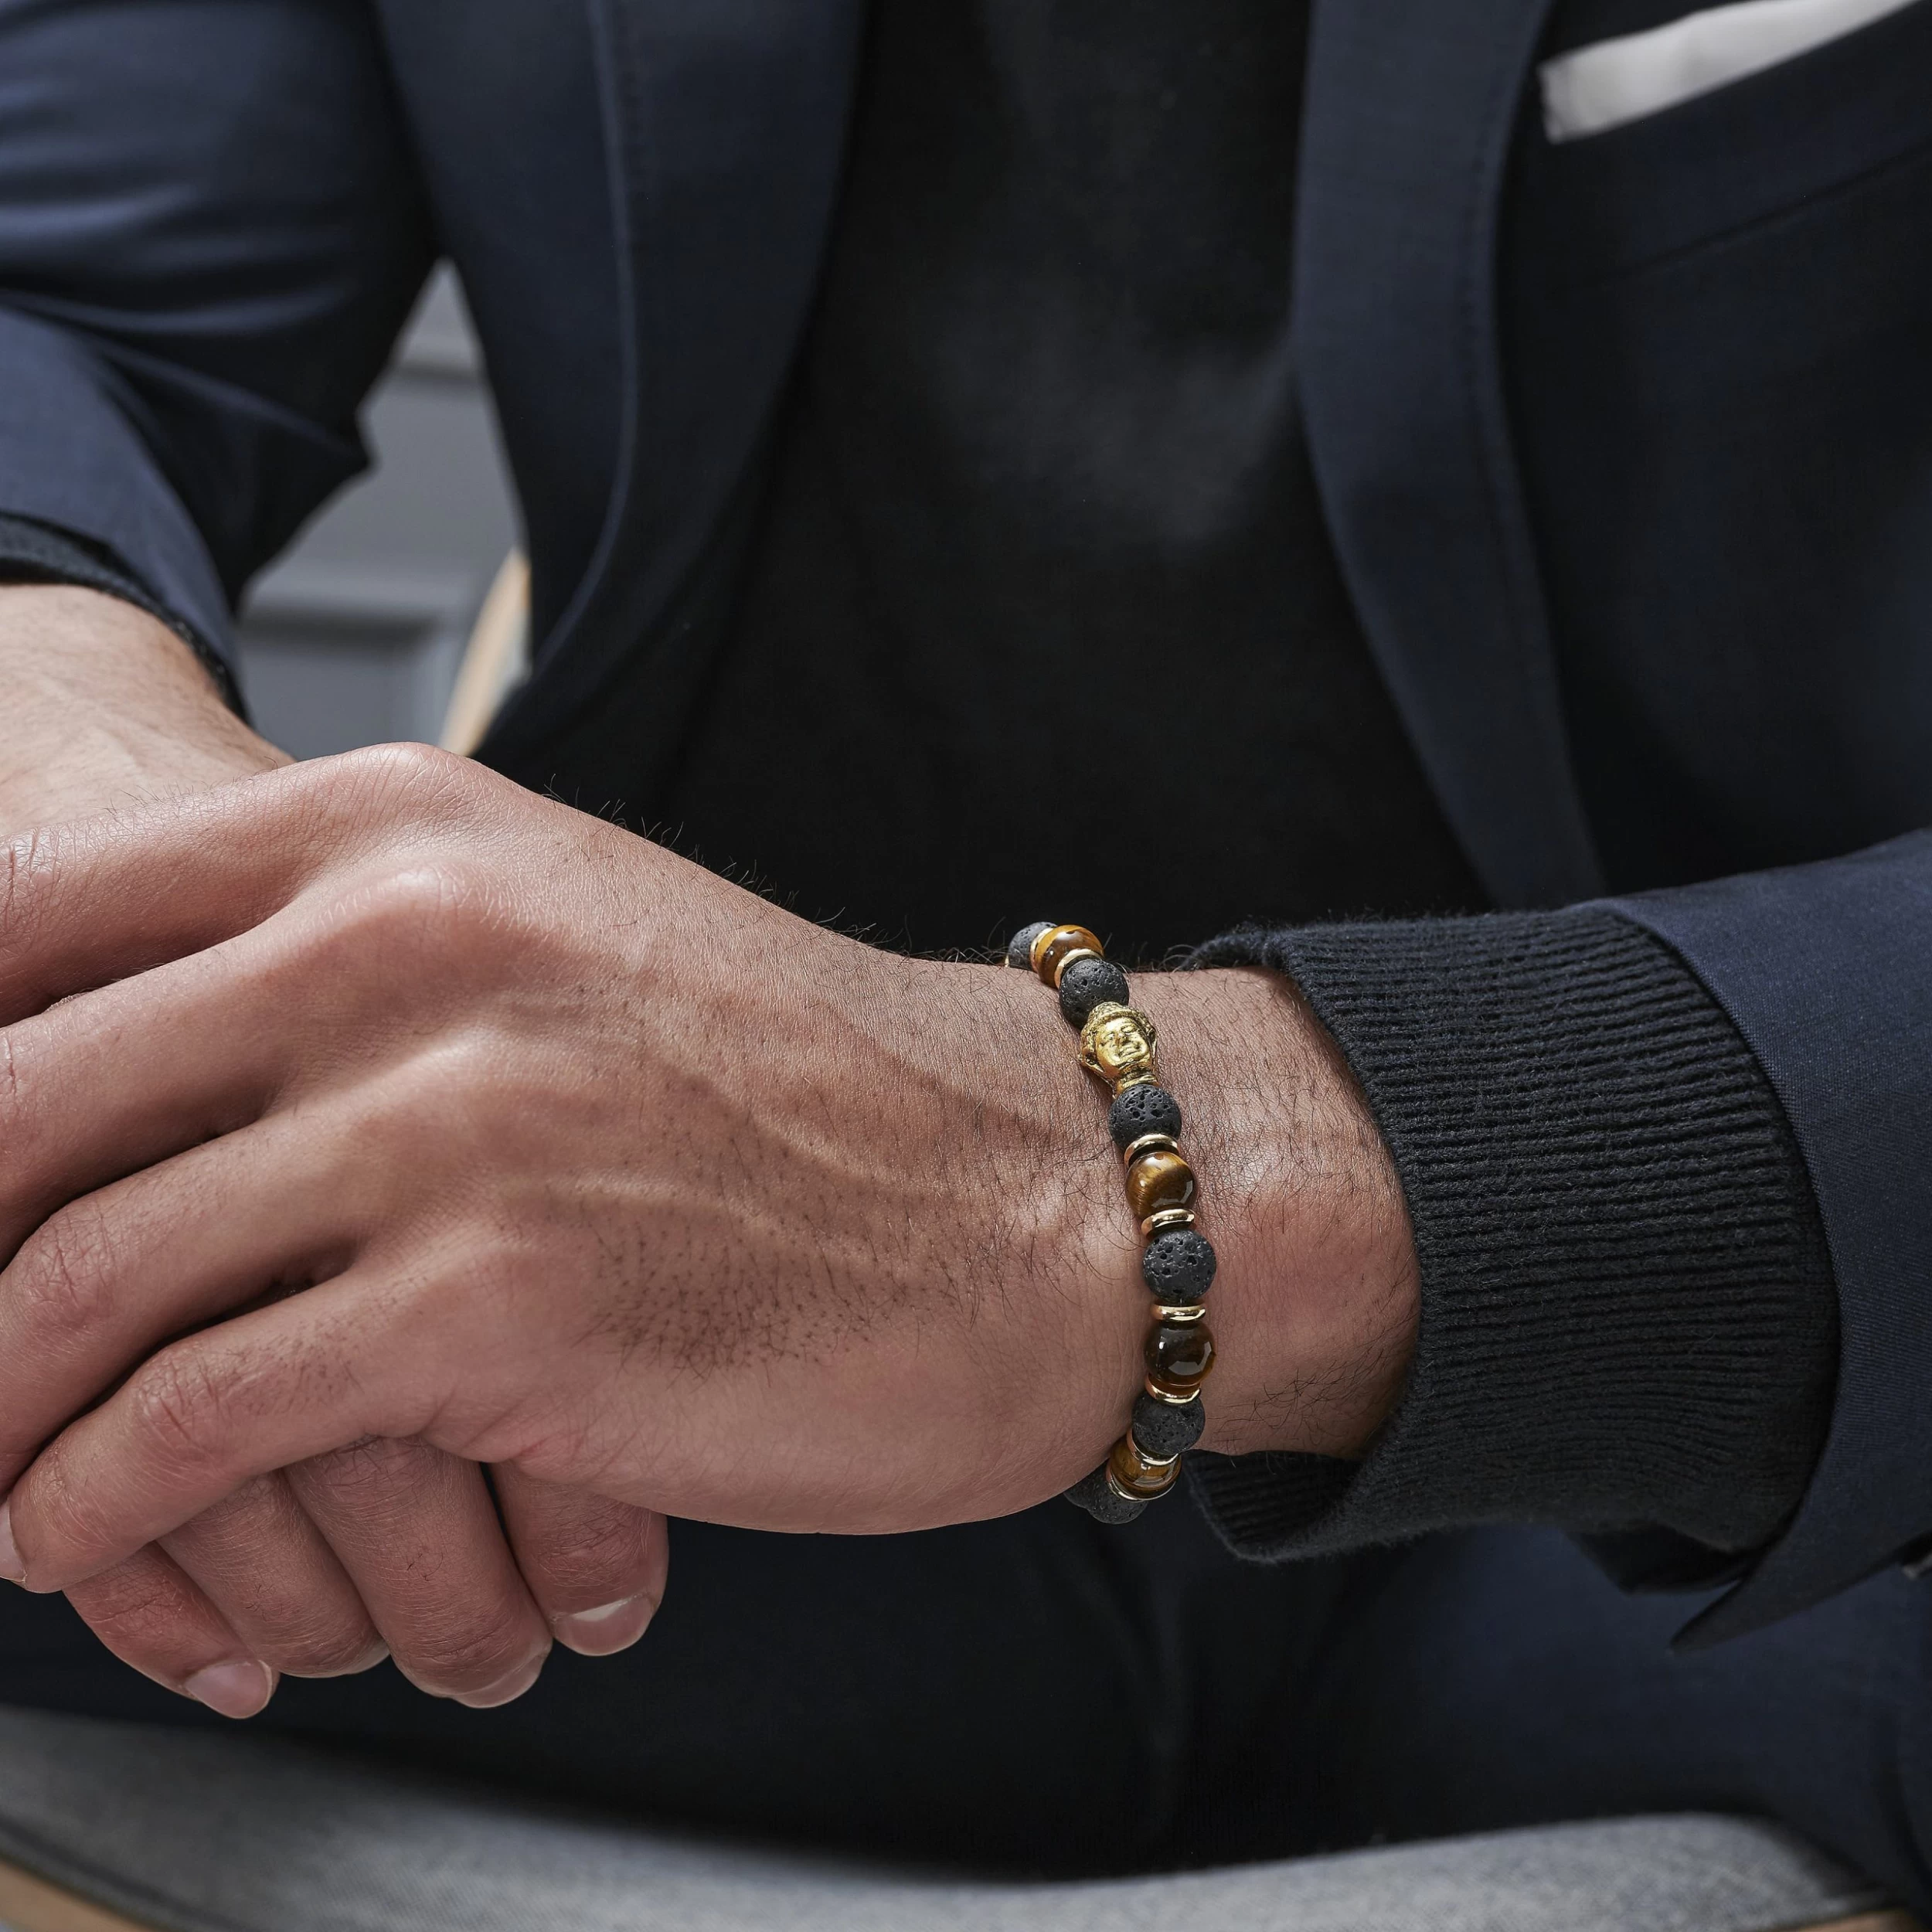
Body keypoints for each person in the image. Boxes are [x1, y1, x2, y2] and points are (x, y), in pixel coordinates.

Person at [0, 0, 1930, 1901]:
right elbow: (65, 290)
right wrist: (92, 852)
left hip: (1763, 1445)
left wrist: (1073, 1184)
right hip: (656, 1412)